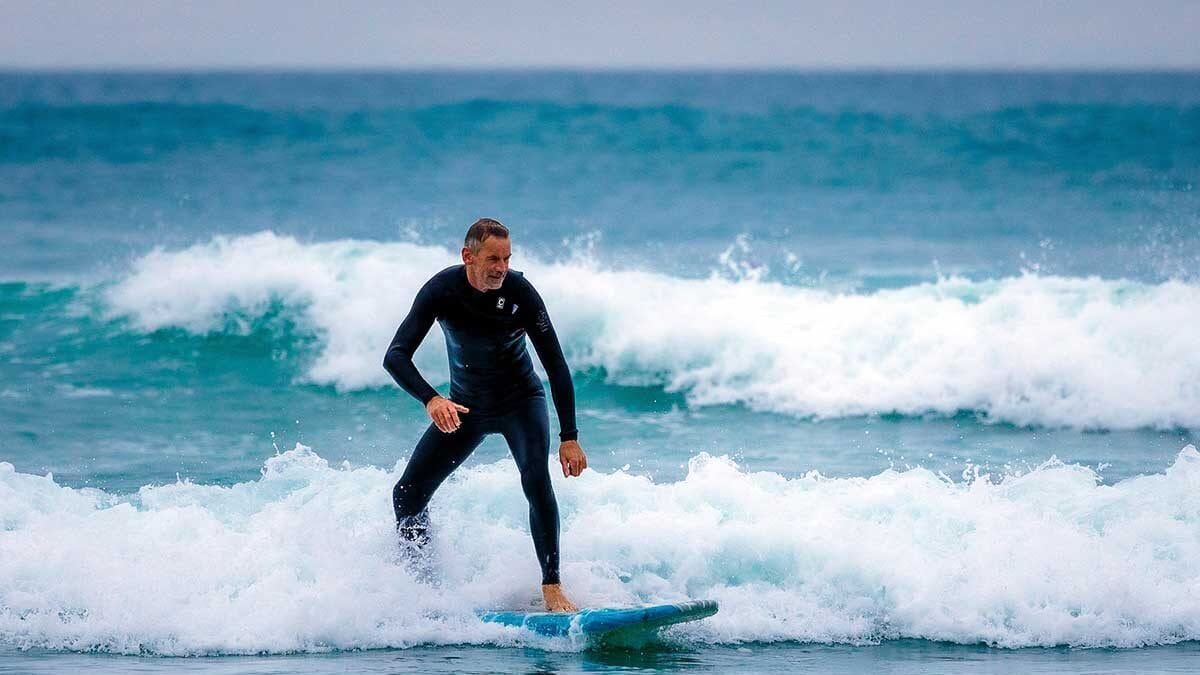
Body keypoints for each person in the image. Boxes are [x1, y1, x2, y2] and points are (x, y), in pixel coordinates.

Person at [383, 218, 587, 612]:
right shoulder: (441, 290)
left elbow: (556, 366)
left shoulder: (521, 292)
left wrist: (569, 436)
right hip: (466, 407)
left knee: (535, 479)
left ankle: (552, 587)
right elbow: (395, 355)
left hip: (520, 402)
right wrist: (431, 399)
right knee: (407, 494)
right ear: (468, 256)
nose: (501, 267)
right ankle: (420, 586)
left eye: (507, 258)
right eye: (493, 258)